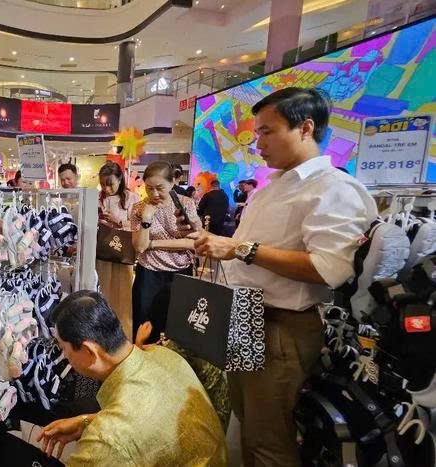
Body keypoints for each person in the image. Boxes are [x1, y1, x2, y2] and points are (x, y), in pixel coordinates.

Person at [193, 87, 377, 467]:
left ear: (305, 128)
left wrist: (241, 249)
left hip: (280, 326)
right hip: (246, 316)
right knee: (247, 423)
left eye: (267, 131)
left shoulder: (334, 189)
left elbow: (329, 268)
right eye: (256, 132)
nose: (257, 142)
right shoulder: (275, 185)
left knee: (270, 440)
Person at [35, 291, 226, 466]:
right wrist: (86, 422)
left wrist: (96, 430)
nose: (64, 355)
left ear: (88, 351)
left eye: (63, 348)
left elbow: (123, 432)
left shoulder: (107, 439)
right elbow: (148, 419)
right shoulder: (163, 355)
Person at [129, 162, 198, 341]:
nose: (154, 194)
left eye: (160, 188)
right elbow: (140, 246)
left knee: (177, 326)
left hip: (181, 273)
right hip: (148, 274)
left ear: (172, 182)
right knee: (145, 326)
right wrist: (146, 217)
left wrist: (153, 244)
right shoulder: (139, 208)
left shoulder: (185, 204)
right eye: (149, 188)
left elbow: (192, 243)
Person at [96, 161, 140, 337]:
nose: (106, 189)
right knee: (102, 291)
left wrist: (118, 221)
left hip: (123, 253)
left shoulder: (133, 198)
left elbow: (138, 226)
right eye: (103, 184)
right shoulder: (97, 198)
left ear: (120, 179)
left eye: (110, 184)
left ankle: (124, 334)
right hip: (102, 252)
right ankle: (102, 332)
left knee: (123, 294)